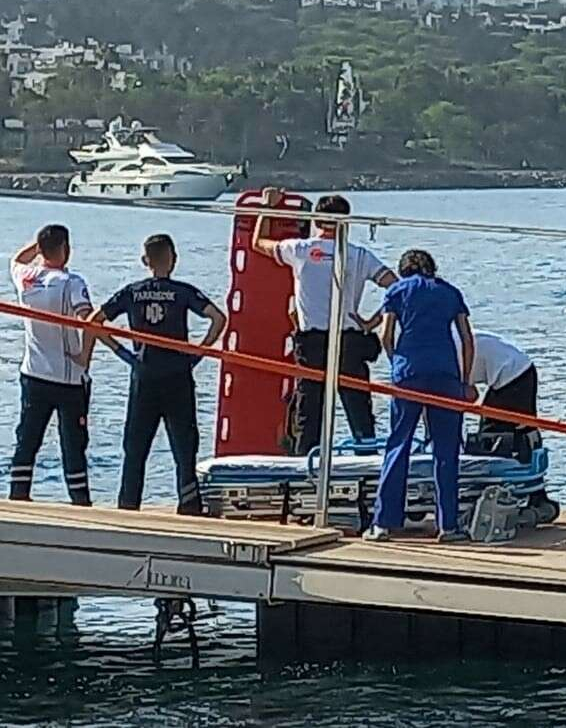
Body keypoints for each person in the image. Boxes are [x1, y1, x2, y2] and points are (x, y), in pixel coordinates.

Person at [85, 234, 227, 515]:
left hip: (145, 376)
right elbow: (218, 318)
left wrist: (124, 353)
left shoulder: (132, 292)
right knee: (184, 448)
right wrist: (198, 352)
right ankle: (189, 506)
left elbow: (94, 323)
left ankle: (128, 507)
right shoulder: (183, 291)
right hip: (178, 376)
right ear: (173, 259)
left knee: (135, 448)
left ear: (145, 261)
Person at [252, 188, 395, 454]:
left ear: (317, 220)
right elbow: (397, 288)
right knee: (358, 407)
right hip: (348, 339)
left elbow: (259, 242)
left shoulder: (300, 249)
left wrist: (267, 206)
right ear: (346, 221)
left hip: (313, 341)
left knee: (309, 408)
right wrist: (372, 322)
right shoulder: (359, 255)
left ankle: (306, 459)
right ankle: (366, 456)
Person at [366, 249, 474, 543]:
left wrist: (396, 362)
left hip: (409, 372)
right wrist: (465, 381)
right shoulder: (450, 292)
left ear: (404, 270)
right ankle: (448, 525)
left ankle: (383, 523)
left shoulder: (397, 291)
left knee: (398, 444)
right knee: (446, 450)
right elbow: (466, 338)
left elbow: (385, 335)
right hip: (445, 373)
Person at [9, 225, 94, 505]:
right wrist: (85, 356)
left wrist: (38, 245)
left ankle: (18, 495)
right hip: (67, 378)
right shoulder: (72, 282)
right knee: (73, 443)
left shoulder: (25, 276)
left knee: (28, 438)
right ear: (65, 249)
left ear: (41, 250)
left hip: (33, 372)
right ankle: (80, 501)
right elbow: (88, 321)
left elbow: (17, 259)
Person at [464, 331, 539, 464]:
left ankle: (517, 455)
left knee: (492, 430)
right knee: (510, 422)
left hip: (511, 373)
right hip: (519, 366)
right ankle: (530, 445)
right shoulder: (450, 343)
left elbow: (471, 396)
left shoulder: (446, 358)